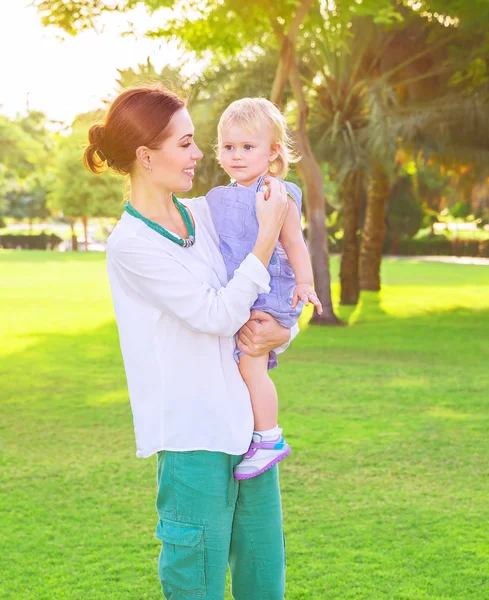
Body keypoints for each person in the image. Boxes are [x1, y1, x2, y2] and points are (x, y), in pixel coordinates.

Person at [83, 85, 296, 600]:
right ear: (146, 155)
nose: (201, 154)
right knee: (194, 583)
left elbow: (261, 302)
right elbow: (218, 315)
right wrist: (266, 237)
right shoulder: (130, 246)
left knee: (263, 575)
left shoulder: (206, 213)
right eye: (186, 143)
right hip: (192, 438)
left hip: (249, 434)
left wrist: (283, 333)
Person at [207, 98, 322, 480]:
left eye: (247, 147)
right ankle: (251, 431)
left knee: (250, 363)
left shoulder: (277, 193)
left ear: (273, 151)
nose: (236, 156)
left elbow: (293, 243)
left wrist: (305, 282)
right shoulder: (219, 197)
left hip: (271, 294)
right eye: (228, 147)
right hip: (244, 293)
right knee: (240, 363)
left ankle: (269, 437)